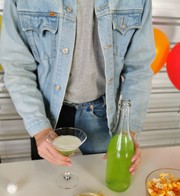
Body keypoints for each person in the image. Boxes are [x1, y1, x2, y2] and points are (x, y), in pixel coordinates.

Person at [0, 0, 155, 175]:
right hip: (47, 115)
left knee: (105, 184)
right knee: (49, 186)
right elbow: (17, 66)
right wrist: (40, 129)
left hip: (103, 115)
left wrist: (129, 130)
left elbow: (139, 68)